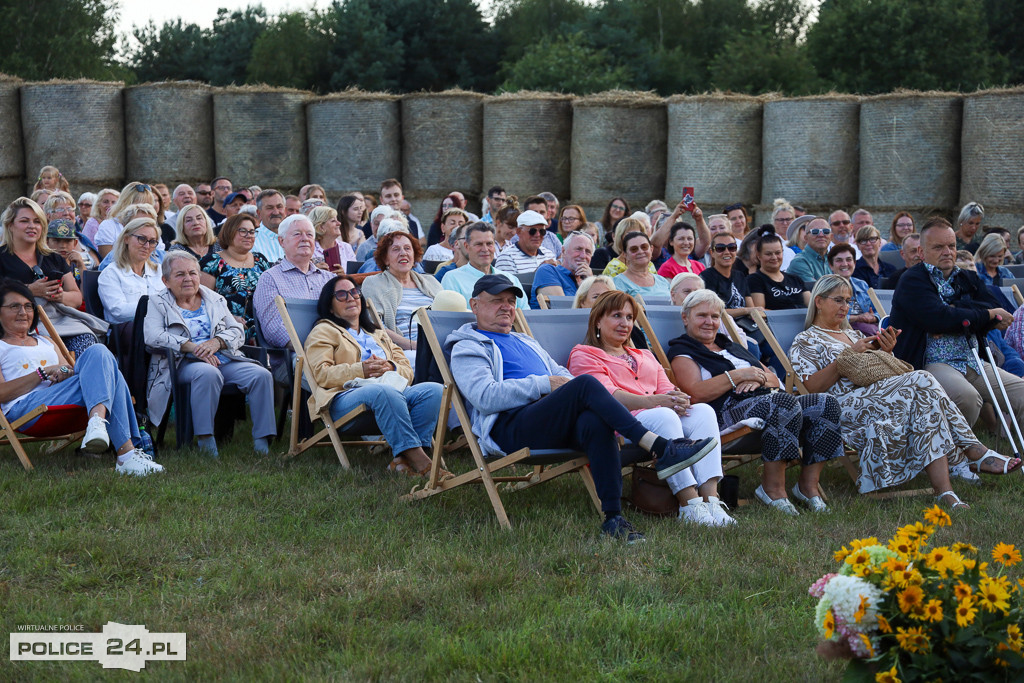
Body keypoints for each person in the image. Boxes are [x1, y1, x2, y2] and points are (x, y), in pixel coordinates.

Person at [447, 273, 717, 542]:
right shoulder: (467, 347)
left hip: (550, 419)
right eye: (497, 301)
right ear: (475, 305)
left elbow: (563, 375)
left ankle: (613, 518)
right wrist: (543, 384)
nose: (506, 306)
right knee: (586, 383)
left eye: (510, 300)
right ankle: (662, 448)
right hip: (511, 427)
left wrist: (559, 385)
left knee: (594, 421)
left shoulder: (525, 341)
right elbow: (484, 396)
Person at [790, 275, 1019, 508]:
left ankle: (946, 493)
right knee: (922, 379)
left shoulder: (854, 335)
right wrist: (846, 357)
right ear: (818, 301)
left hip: (881, 399)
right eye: (838, 300)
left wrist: (886, 352)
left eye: (848, 301)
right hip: (843, 408)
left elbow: (877, 373)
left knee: (926, 405)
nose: (845, 307)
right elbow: (813, 388)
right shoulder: (806, 340)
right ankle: (970, 451)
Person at [668, 289, 845, 515]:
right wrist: (738, 377)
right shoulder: (683, 351)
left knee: (826, 404)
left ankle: (807, 487)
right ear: (686, 318)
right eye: (702, 315)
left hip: (766, 400)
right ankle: (772, 489)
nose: (709, 322)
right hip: (725, 412)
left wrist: (756, 378)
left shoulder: (731, 346)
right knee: (783, 404)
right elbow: (695, 393)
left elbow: (775, 379)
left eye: (715, 316)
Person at [567, 290, 734, 526]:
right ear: (597, 320)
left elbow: (666, 388)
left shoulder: (644, 354)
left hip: (659, 417)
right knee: (664, 416)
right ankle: (689, 503)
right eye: (617, 316)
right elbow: (606, 396)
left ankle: (711, 499)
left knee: (704, 411)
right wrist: (655, 402)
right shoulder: (584, 354)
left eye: (629, 317)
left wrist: (679, 398)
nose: (624, 323)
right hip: (621, 425)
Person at [0, 279, 162, 475]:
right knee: (112, 374)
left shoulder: (45, 340)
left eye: (28, 306)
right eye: (14, 306)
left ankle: (98, 424)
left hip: (60, 398)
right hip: (25, 408)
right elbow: (2, 393)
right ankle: (126, 453)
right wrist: (41, 374)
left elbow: (69, 371)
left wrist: (63, 372)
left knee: (98, 352)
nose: (23, 312)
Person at [890, 216, 1024, 432]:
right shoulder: (912, 281)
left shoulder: (967, 278)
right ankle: (956, 459)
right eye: (938, 247)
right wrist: (977, 315)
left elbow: (995, 310)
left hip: (972, 358)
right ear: (922, 253)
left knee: (1022, 394)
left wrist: (958, 312)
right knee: (967, 398)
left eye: (951, 246)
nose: (948, 252)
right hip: (931, 363)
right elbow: (937, 319)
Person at [305, 275, 444, 476]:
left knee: (435, 390)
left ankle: (403, 460)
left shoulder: (378, 334)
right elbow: (321, 374)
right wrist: (361, 370)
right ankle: (422, 462)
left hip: (390, 394)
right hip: (344, 399)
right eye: (342, 295)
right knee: (382, 391)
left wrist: (390, 366)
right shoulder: (324, 331)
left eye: (354, 293)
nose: (351, 298)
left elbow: (407, 370)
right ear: (330, 306)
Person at [145, 251, 275, 456]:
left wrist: (217, 342)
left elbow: (237, 331)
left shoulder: (213, 298)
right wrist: (192, 347)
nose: (188, 278)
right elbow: (152, 335)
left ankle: (262, 442)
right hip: (182, 363)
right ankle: (206, 441)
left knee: (261, 375)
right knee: (208, 373)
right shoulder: (157, 302)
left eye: (192, 273)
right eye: (180, 274)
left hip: (222, 357)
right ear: (166, 281)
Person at [0, 197, 102, 356]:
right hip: (20, 326)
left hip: (62, 323)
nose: (32, 226)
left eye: (37, 221)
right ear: (10, 225)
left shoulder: (53, 258)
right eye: (24, 221)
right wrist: (30, 290)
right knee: (53, 356)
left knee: (94, 350)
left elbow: (76, 298)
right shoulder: (2, 258)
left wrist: (60, 296)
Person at [253, 214, 336, 355]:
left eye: (309, 234)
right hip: (296, 356)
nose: (305, 238)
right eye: (297, 234)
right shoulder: (270, 279)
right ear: (281, 241)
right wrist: (314, 350)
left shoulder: (330, 279)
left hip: (335, 349)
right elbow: (273, 329)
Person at [361, 231, 442, 355]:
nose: (403, 253)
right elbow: (376, 326)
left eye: (407, 248)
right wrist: (414, 346)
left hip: (440, 344)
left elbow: (447, 316)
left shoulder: (431, 281)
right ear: (385, 258)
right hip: (402, 350)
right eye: (396, 249)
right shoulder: (374, 283)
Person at [198, 213, 271, 344]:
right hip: (228, 328)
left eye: (252, 231)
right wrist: (229, 318)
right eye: (242, 231)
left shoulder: (260, 260)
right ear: (229, 232)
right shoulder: (212, 262)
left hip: (262, 327)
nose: (248, 235)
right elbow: (203, 301)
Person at [440, 222, 528, 310]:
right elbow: (451, 319)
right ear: (467, 247)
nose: (485, 249)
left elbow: (526, 316)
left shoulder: (511, 279)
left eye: (489, 244)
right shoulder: (452, 279)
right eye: (479, 244)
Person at [97, 217, 165, 324]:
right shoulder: (111, 273)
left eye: (152, 241)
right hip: (128, 334)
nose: (147, 246)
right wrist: (156, 307)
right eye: (142, 239)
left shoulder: (159, 271)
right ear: (126, 238)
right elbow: (119, 311)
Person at [700, 232, 758, 327]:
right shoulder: (706, 277)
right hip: (722, 329)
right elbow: (714, 312)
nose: (727, 252)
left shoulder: (740, 275)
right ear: (712, 253)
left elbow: (751, 307)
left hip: (746, 326)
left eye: (731, 247)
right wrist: (745, 310)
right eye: (720, 248)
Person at [747, 229, 810, 310]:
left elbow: (812, 306)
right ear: (759, 255)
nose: (774, 257)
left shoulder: (795, 279)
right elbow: (760, 312)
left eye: (777, 253)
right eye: (768, 254)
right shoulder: (754, 280)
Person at [95, 182, 160, 259]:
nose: (144, 209)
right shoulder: (109, 226)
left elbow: (159, 256)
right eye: (139, 205)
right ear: (126, 203)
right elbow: (108, 258)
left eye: (147, 205)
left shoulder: (152, 228)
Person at [532, 231, 595, 307]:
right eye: (578, 249)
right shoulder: (548, 271)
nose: (583, 255)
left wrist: (590, 282)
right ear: (563, 251)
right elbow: (562, 309)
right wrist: (586, 288)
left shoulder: (588, 279)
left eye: (588, 252)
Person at [828, 244, 880, 336]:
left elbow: (879, 312)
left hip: (869, 332)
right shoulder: (826, 288)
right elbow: (828, 317)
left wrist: (873, 318)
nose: (844, 264)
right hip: (841, 333)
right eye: (839, 260)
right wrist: (858, 318)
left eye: (849, 260)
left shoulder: (862, 285)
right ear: (831, 265)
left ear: (854, 263)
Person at [494, 210, 557, 275]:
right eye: (532, 231)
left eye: (542, 231)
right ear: (519, 232)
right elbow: (509, 285)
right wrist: (539, 272)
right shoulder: (506, 258)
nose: (538, 235)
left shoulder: (549, 255)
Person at [613, 232, 671, 300]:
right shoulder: (618, 283)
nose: (640, 251)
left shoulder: (663, 281)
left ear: (651, 249)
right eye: (634, 249)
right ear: (625, 255)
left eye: (644, 247)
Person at [308, 205, 356, 273]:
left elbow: (355, 275)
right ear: (321, 227)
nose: (339, 223)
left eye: (337, 220)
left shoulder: (346, 247)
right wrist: (313, 270)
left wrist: (344, 276)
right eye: (333, 221)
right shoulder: (309, 249)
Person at [785, 217, 832, 283]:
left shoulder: (834, 259)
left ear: (831, 236)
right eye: (815, 232)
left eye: (826, 231)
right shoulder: (799, 262)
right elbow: (817, 290)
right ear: (806, 238)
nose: (821, 235)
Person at [45, 219, 86, 284]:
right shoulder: (43, 264)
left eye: (67, 241)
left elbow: (87, 292)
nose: (63, 246)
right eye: (57, 240)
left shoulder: (76, 264)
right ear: (47, 242)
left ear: (75, 243)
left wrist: (81, 267)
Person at [252, 190, 287, 263]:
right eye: (270, 208)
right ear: (259, 213)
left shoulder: (296, 237)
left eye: (279, 207)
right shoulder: (251, 241)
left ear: (285, 211)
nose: (276, 212)